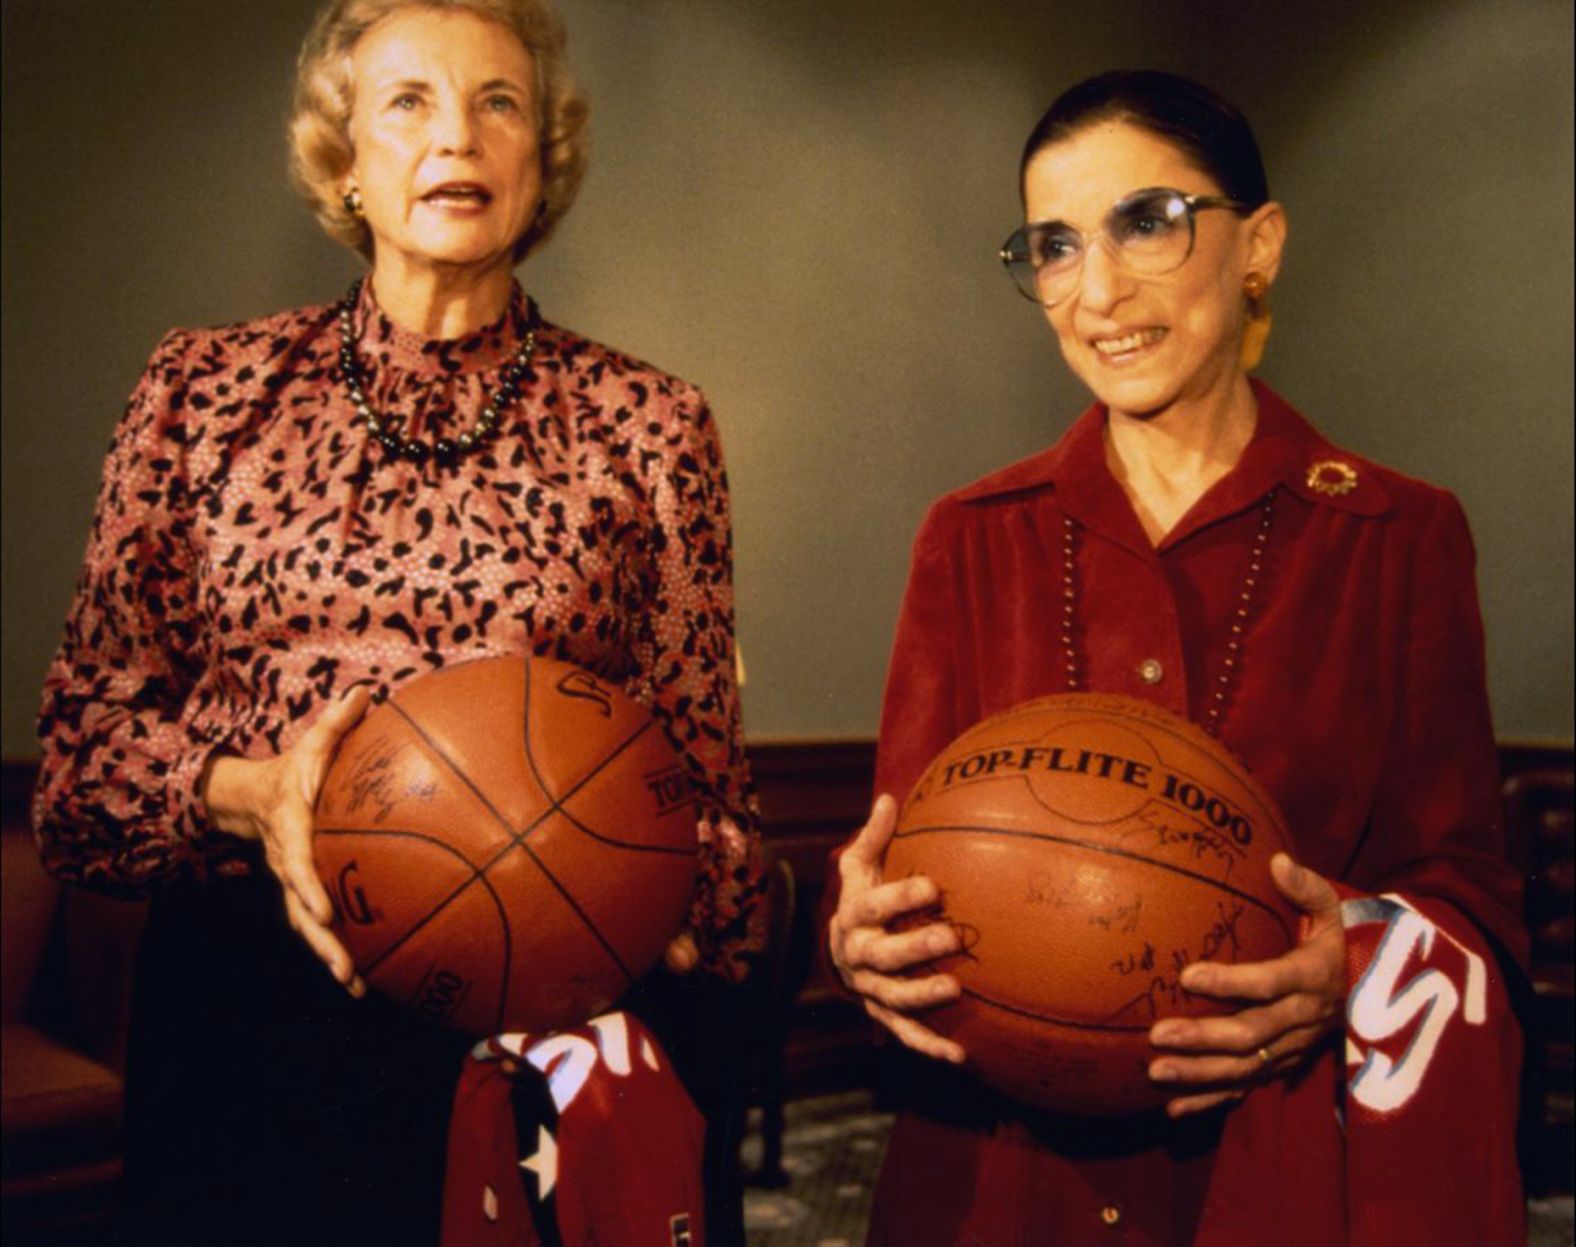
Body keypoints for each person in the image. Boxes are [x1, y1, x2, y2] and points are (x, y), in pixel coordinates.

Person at [31, 1, 763, 1243]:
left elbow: (709, 806)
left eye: (499, 102)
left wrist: (662, 898)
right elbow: (76, 770)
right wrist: (253, 792)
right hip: (253, 1012)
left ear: (541, 161)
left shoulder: (653, 422)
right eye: (409, 101)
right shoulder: (202, 390)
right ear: (346, 162)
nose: (457, 137)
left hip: (539, 1014)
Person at [826, 70, 1527, 1246]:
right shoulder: (969, 535)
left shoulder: (1397, 535)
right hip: (999, 1181)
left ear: (1257, 245)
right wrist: (860, 938)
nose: (1098, 290)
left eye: (1146, 221)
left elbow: (1464, 886)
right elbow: (902, 853)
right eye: (1053, 245)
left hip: (1280, 1167)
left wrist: (1347, 962)